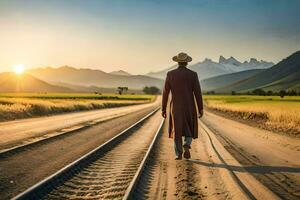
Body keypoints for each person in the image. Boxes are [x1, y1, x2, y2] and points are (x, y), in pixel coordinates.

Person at [162, 52, 203, 160]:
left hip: (175, 106)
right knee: (189, 126)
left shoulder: (170, 74)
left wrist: (163, 109)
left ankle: (178, 154)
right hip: (189, 105)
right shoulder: (193, 74)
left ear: (177, 62)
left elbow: (165, 92)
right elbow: (197, 92)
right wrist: (200, 108)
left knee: (177, 129)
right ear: (187, 62)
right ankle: (187, 144)